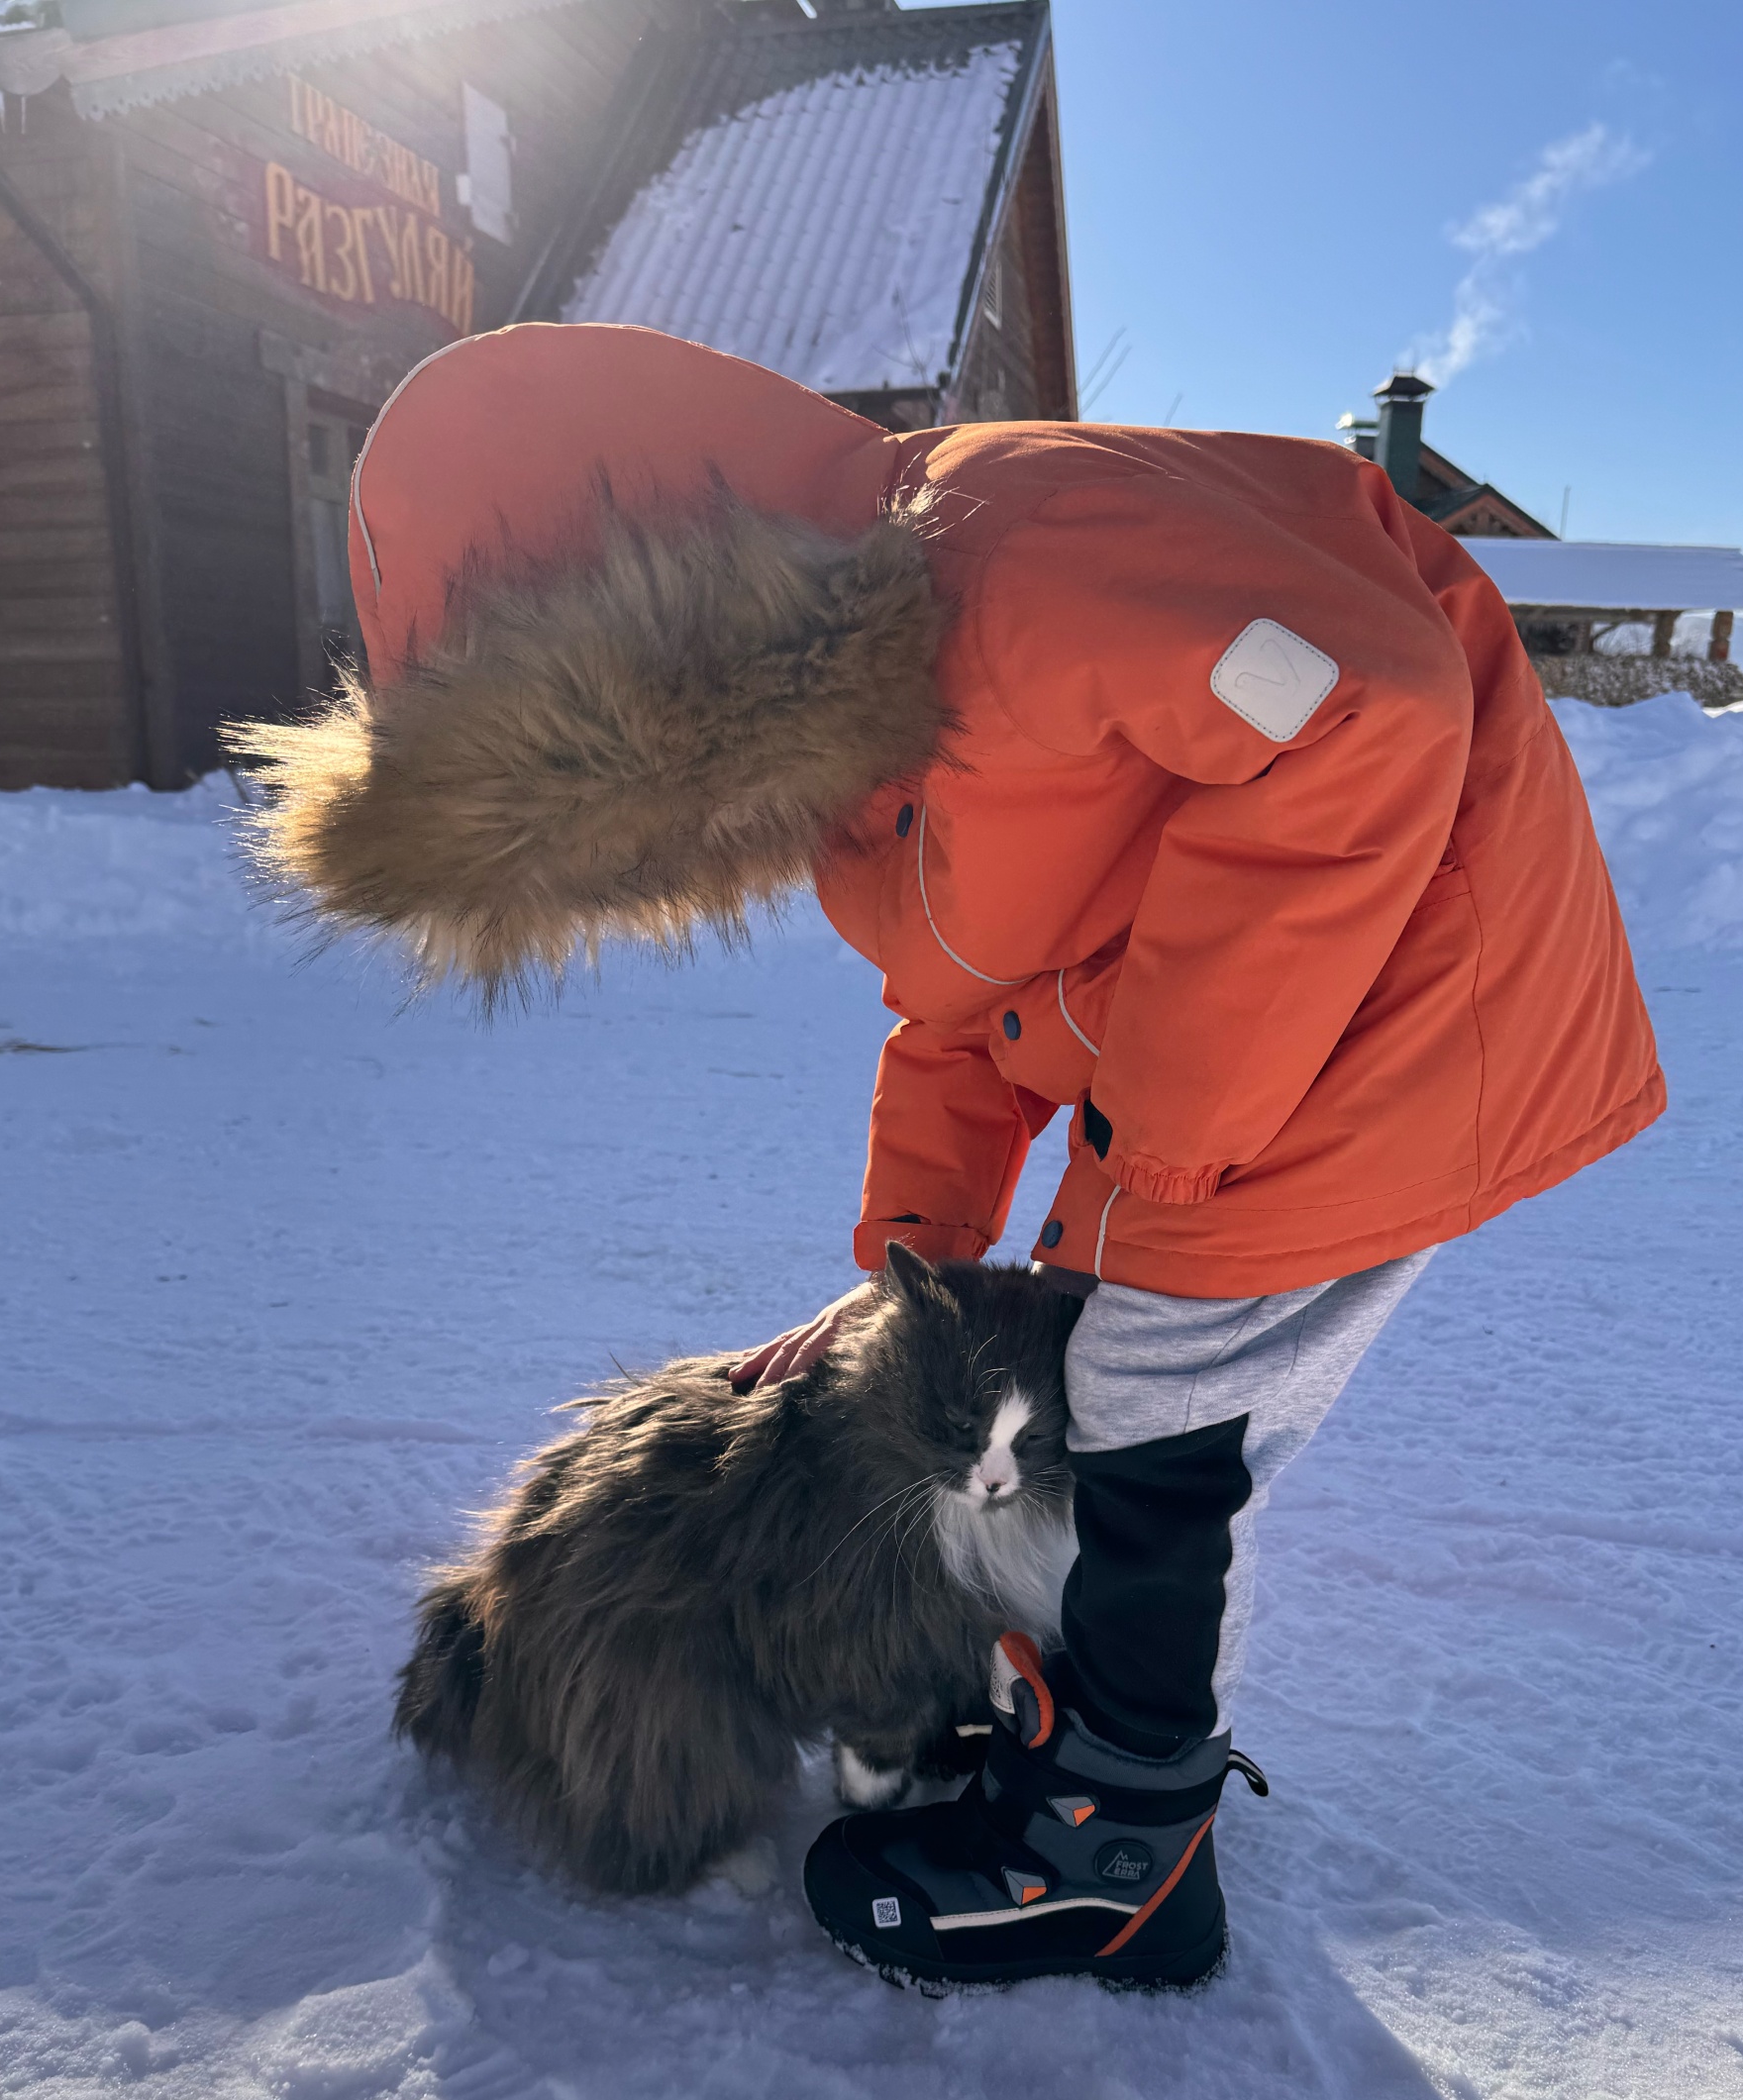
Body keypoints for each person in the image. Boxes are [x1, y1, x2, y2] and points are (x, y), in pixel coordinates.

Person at [240, 323, 1663, 1992]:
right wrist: (900, 1291)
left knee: (1148, 1410)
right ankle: (1086, 1728)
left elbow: (1369, 712)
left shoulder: (1014, 555)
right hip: (1275, 1036)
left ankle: (1116, 1856)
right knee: (1089, 1384)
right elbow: (956, 1016)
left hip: (1404, 1014)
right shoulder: (873, 747)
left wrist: (1164, 1149)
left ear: (662, 636)